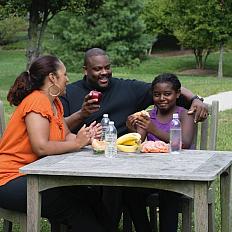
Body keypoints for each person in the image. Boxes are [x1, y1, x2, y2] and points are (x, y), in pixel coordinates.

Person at [59, 48, 208, 231]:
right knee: (109, 186)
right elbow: (59, 127)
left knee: (117, 183)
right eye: (98, 69)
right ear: (85, 70)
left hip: (122, 161)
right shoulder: (70, 92)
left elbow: (165, 86)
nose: (104, 72)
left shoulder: (127, 88)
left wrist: (195, 98)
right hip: (82, 160)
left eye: (107, 67)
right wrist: (82, 114)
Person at [0, 55, 110, 232]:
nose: (67, 79)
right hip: (9, 179)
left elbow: (66, 135)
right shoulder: (37, 101)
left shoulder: (55, 102)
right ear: (52, 77)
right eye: (64, 74)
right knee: (73, 207)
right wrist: (77, 144)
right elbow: (41, 146)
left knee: (89, 195)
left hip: (33, 175)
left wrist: (87, 138)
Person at [124, 73, 196, 232]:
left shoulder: (185, 114)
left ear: (177, 94)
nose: (162, 98)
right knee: (129, 191)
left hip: (178, 176)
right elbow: (138, 142)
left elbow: (184, 143)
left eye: (167, 94)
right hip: (151, 174)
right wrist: (132, 129)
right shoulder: (148, 115)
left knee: (168, 194)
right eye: (157, 94)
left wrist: (153, 129)